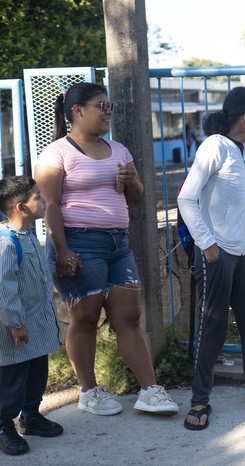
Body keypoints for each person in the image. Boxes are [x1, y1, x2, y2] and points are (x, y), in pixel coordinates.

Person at [34, 83, 179, 417]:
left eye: (109, 105)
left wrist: (131, 179)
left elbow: (136, 196)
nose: (108, 112)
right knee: (85, 318)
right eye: (101, 106)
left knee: (129, 316)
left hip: (118, 244)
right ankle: (89, 391)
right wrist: (62, 250)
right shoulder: (56, 153)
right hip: (80, 244)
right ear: (78, 110)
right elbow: (50, 206)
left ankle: (149, 390)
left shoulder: (119, 149)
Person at [177, 86, 245, 430]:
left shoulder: (238, 149)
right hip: (217, 253)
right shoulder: (214, 147)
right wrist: (206, 242)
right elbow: (186, 199)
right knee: (213, 326)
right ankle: (199, 400)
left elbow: (236, 203)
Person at [0, 176, 62, 456]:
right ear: (21, 208)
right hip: (17, 329)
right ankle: (4, 425)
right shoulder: (6, 244)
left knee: (37, 371)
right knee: (14, 378)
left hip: (36, 325)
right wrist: (16, 323)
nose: (44, 200)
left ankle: (30, 416)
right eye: (38, 196)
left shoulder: (27, 236)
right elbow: (4, 288)